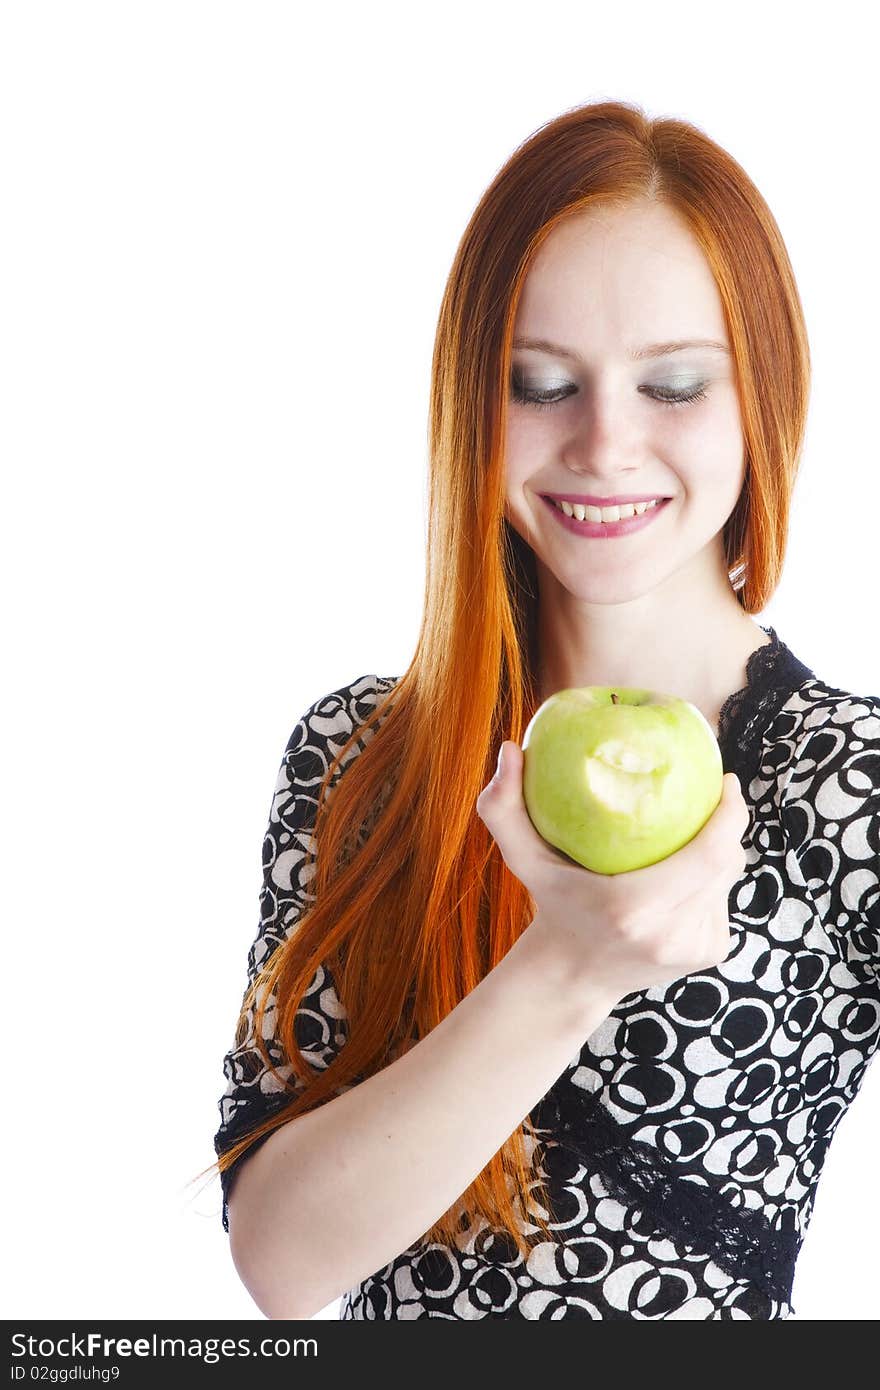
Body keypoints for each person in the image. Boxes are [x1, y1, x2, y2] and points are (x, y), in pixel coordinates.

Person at [199, 100, 880, 1320]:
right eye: (540, 383)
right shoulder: (365, 757)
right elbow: (282, 1263)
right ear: (474, 403)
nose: (606, 444)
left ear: (760, 400)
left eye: (673, 385)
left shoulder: (852, 783)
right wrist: (564, 966)